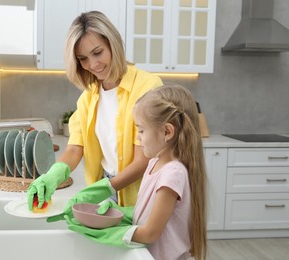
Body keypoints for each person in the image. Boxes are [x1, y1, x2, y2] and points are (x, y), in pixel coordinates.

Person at [27, 11, 163, 213]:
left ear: (113, 44)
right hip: (105, 187)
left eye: (97, 52)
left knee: (137, 244)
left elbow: (143, 159)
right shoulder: (88, 98)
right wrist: (52, 176)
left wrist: (104, 189)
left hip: (142, 189)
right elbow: (74, 149)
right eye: (83, 58)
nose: (93, 64)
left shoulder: (147, 87)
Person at [65, 84, 207, 260]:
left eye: (141, 130)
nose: (138, 137)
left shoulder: (173, 173)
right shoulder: (155, 163)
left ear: (167, 132)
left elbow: (150, 233)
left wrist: (108, 232)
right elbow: (149, 214)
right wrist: (119, 213)